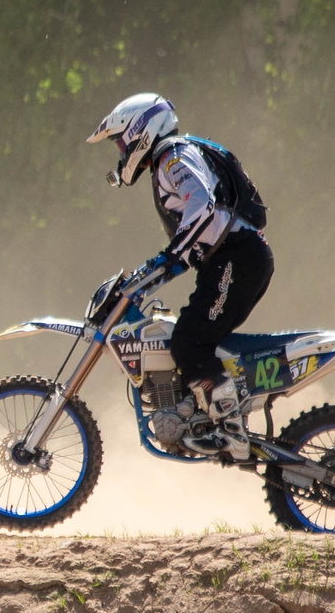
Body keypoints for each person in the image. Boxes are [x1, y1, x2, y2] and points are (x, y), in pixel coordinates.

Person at [87, 93, 273, 458]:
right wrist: (148, 278)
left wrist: (165, 258)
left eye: (121, 142)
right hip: (231, 259)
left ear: (141, 130)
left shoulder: (173, 156)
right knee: (190, 339)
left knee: (189, 342)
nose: (122, 153)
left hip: (236, 258)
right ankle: (201, 416)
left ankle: (231, 432)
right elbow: (191, 245)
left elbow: (201, 208)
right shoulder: (169, 160)